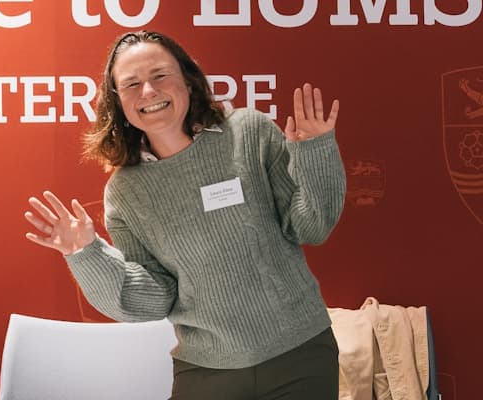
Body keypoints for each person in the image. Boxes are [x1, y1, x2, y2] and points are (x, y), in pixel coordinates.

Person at [23, 31, 344, 399]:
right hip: (206, 371)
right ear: (117, 103)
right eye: (131, 84)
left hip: (299, 354)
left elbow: (312, 227)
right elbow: (155, 298)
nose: (148, 92)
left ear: (188, 81)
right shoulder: (126, 192)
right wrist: (86, 254)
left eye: (160, 75)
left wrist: (315, 152)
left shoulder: (248, 132)